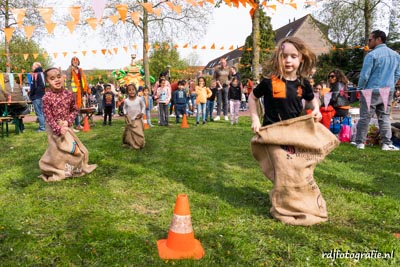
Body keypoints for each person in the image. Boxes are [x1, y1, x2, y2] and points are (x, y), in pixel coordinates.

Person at [249, 37, 321, 130]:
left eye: (293, 56)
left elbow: (312, 99)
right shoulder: (269, 81)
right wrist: (255, 120)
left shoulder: (303, 83)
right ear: (278, 58)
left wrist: (316, 109)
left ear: (302, 58)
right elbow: (252, 97)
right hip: (271, 132)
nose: (288, 60)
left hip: (294, 132)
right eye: (284, 56)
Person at [39, 67, 97, 182]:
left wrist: (68, 121)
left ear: (63, 77)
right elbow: (48, 116)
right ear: (47, 82)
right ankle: (56, 168)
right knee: (56, 152)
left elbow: (74, 110)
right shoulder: (46, 97)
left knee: (74, 150)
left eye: (58, 77)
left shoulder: (69, 94)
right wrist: (57, 128)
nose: (56, 80)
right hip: (53, 130)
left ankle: (71, 169)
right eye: (52, 78)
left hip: (66, 127)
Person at [354, 30, 400, 151]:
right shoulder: (396, 55)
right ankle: (386, 144)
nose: (368, 42)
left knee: (365, 117)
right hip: (387, 91)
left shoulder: (371, 55)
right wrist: (391, 85)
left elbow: (364, 75)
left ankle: (360, 143)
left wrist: (360, 88)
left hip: (370, 91)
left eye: (370, 40)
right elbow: (397, 74)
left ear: (378, 39)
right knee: (384, 117)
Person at [66, 56, 90, 131]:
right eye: (74, 61)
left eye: (76, 61)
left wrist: (86, 89)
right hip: (73, 92)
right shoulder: (69, 69)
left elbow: (83, 80)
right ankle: (74, 125)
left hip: (79, 92)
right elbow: (68, 81)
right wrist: (70, 91)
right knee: (74, 108)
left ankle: (77, 124)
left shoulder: (80, 70)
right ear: (72, 62)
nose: (75, 62)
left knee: (78, 108)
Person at [123, 84, 146, 149]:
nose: (131, 91)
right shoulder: (126, 101)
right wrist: (125, 114)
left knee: (139, 133)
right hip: (130, 120)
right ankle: (131, 143)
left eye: (133, 89)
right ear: (127, 92)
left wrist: (142, 113)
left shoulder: (139, 99)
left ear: (136, 90)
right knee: (129, 134)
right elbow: (124, 108)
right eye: (129, 90)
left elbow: (143, 106)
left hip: (137, 119)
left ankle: (139, 143)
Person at [29, 62, 46, 132]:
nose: (32, 68)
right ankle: (44, 126)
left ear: (36, 67)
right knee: (42, 112)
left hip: (37, 96)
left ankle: (42, 128)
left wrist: (31, 94)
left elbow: (33, 86)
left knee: (39, 113)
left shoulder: (35, 74)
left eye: (33, 66)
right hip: (42, 95)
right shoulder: (43, 74)